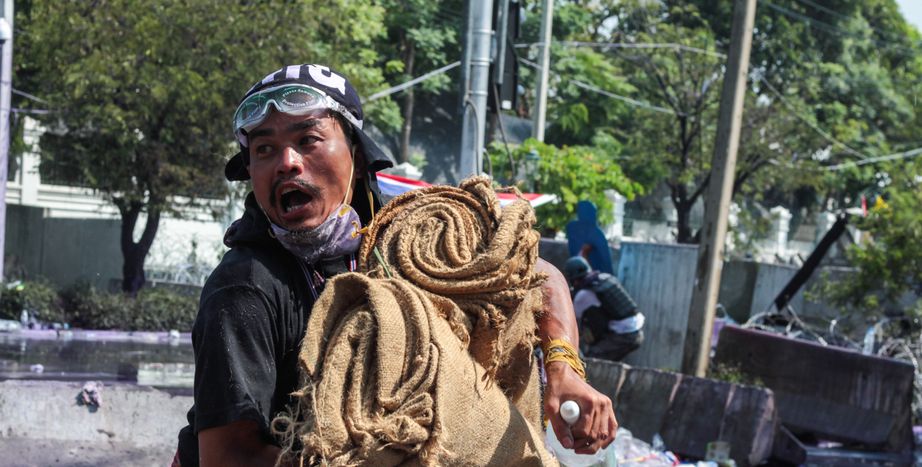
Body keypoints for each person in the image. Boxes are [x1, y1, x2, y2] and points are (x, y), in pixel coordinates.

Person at [174, 64, 617, 466]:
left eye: (307, 139)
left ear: (358, 156)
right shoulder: (245, 288)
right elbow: (228, 457)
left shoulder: (407, 239)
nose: (287, 162)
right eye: (265, 149)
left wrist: (563, 368)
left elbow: (537, 277)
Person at [563, 255, 644, 362]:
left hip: (624, 336)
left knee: (591, 361)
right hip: (636, 331)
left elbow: (571, 319)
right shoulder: (605, 277)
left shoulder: (584, 294)